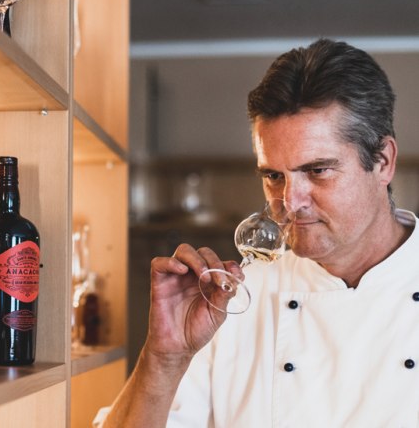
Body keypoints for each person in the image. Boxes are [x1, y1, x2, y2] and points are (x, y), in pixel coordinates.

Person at [96, 38, 419, 426]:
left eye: (317, 171)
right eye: (273, 176)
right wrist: (164, 358)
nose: (290, 201)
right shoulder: (231, 303)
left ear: (383, 161)